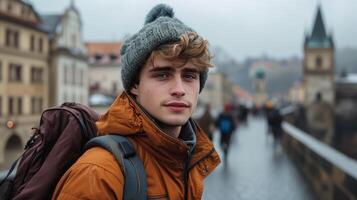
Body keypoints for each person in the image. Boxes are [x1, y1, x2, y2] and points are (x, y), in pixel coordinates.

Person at [52, 4, 220, 200]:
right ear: (134, 85)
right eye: (163, 75)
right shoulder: (98, 174)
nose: (179, 90)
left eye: (189, 76)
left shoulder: (186, 160)